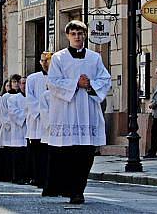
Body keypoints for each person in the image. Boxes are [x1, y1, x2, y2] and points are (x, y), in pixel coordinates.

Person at [46, 20, 111, 205]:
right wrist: (76, 83)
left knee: (86, 154)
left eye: (80, 34)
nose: (77, 37)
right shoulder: (59, 58)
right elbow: (53, 82)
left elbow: (105, 80)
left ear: (85, 36)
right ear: (67, 36)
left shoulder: (94, 58)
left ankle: (79, 190)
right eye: (73, 34)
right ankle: (71, 188)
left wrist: (91, 85)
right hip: (67, 112)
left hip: (88, 111)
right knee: (68, 154)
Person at [26, 52, 52, 188]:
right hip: (37, 121)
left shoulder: (58, 78)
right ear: (40, 62)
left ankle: (50, 179)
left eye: (48, 61)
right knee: (38, 153)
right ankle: (38, 178)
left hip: (53, 120)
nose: (45, 63)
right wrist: (42, 112)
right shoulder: (32, 78)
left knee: (50, 152)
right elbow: (29, 98)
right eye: (43, 61)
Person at [6, 76, 29, 184]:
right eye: (23, 83)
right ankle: (17, 177)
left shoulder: (32, 98)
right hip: (18, 131)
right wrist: (26, 115)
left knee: (28, 157)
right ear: (19, 85)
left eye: (26, 83)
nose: (24, 86)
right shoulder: (13, 99)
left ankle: (28, 177)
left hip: (30, 132)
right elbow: (13, 113)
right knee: (18, 156)